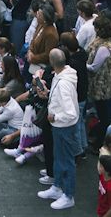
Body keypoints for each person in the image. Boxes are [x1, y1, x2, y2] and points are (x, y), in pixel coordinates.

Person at [39, 46, 83, 210]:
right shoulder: (63, 74)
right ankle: (57, 187)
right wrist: (49, 93)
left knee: (67, 161)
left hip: (63, 127)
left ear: (52, 62)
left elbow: (71, 113)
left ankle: (68, 195)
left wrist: (55, 116)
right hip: (59, 127)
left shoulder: (64, 83)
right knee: (59, 158)